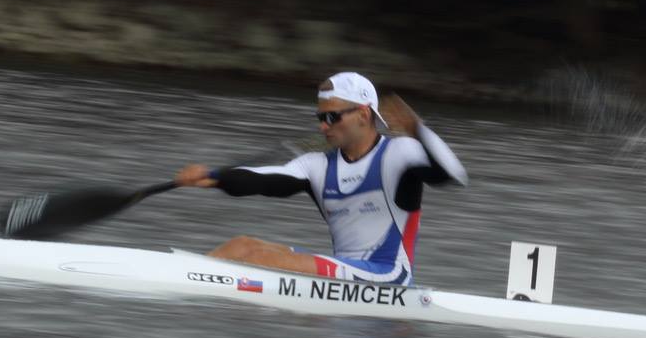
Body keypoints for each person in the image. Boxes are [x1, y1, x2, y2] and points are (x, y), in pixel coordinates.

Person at [174, 72, 467, 284]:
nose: (323, 127)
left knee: (261, 260)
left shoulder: (400, 153)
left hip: (388, 277)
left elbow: (452, 175)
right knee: (240, 246)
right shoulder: (316, 165)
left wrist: (418, 129)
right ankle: (178, 278)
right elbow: (266, 180)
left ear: (363, 115)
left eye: (332, 117)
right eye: (320, 117)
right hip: (344, 274)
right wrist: (213, 177)